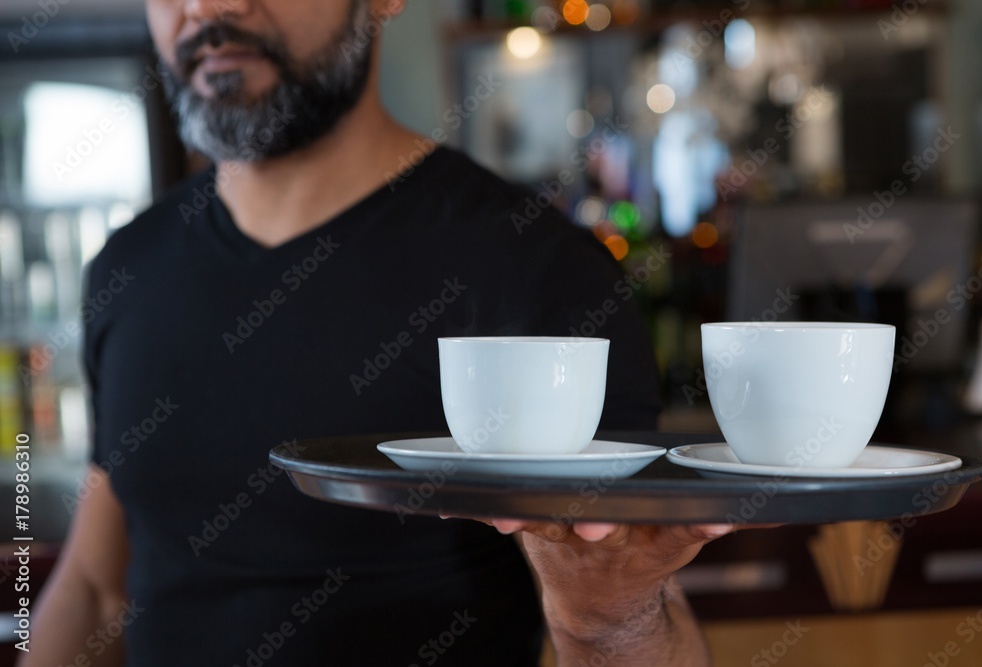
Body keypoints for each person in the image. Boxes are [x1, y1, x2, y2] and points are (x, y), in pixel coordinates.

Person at [27, 1, 736, 665]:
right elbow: (97, 584)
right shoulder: (129, 268)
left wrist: (605, 620)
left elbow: (625, 592)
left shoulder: (532, 269)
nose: (210, 10)